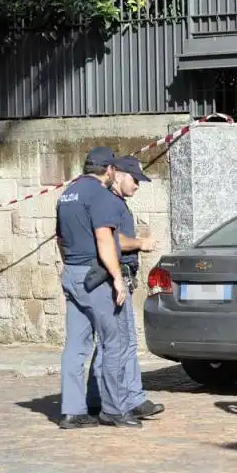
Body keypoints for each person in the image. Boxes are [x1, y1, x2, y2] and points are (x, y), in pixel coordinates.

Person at [56, 147, 137, 429]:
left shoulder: (67, 194)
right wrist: (116, 277)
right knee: (113, 342)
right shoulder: (100, 196)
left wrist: (70, 267)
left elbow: (60, 238)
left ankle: (72, 411)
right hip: (96, 277)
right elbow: (105, 240)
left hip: (73, 273)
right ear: (110, 170)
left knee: (76, 344)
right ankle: (114, 410)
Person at [86, 155, 165, 421]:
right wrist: (140, 243)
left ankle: (116, 397)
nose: (137, 186)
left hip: (121, 276)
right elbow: (112, 239)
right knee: (120, 342)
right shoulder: (109, 203)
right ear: (117, 174)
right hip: (114, 277)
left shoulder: (115, 202)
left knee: (117, 342)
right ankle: (121, 399)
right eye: (135, 180)